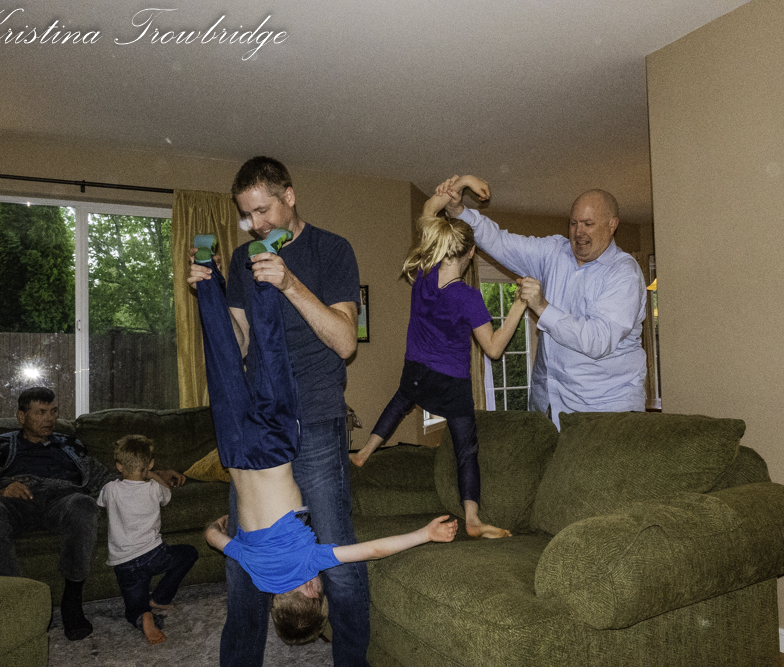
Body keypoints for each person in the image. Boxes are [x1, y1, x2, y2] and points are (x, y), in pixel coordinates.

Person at [188, 156, 369, 666]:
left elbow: (344, 342)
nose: (255, 224)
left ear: (289, 196)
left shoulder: (332, 249)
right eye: (247, 215)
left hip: (316, 418)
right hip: (261, 425)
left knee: (338, 562)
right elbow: (242, 341)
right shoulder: (244, 258)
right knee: (242, 565)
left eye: (262, 211)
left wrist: (289, 284)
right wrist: (209, 292)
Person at [348, 177, 526, 539]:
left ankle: (365, 452)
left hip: (417, 370)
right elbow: (493, 349)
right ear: (471, 253)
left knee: (400, 401)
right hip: (452, 382)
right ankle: (472, 519)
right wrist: (520, 305)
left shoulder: (424, 274)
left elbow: (429, 210)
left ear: (441, 245)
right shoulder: (469, 298)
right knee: (466, 451)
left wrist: (463, 182)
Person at [0, 386, 186, 640]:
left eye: (53, 411)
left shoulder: (71, 445)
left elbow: (112, 479)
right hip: (15, 503)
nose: (50, 418)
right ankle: (13, 603)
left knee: (84, 505)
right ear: (21, 416)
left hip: (64, 500)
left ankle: (72, 600)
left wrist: (153, 474)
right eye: (41, 412)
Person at [437, 176, 647, 428]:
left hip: (607, 410)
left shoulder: (624, 273)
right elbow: (501, 243)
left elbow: (598, 340)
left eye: (588, 224)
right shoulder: (554, 252)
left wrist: (541, 307)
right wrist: (458, 211)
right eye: (573, 223)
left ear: (612, 225)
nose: (578, 232)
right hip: (549, 406)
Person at [97, 435, 199, 644]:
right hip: (154, 555)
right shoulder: (154, 488)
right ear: (151, 464)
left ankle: (142, 615)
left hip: (124, 563)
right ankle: (161, 598)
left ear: (119, 466)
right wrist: (151, 475)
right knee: (188, 553)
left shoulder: (110, 489)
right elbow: (167, 495)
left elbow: (101, 503)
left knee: (134, 607)